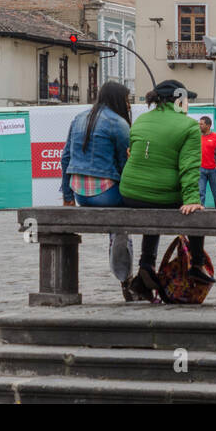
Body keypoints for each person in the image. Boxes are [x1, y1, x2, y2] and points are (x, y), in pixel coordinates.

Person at [118, 79, 208, 303]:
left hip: (130, 193)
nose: (188, 103)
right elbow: (189, 168)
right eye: (187, 99)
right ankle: (197, 264)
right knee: (197, 214)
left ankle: (146, 264)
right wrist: (192, 199)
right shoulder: (188, 126)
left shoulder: (140, 120)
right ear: (178, 101)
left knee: (153, 207)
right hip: (161, 193)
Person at [60, 82, 134, 300]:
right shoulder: (119, 123)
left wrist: (68, 197)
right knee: (122, 225)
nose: (129, 105)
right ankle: (125, 278)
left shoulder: (79, 118)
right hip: (107, 194)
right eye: (128, 100)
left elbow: (65, 158)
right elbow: (124, 167)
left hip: (80, 193)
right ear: (119, 99)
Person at [197, 116, 216, 209]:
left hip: (214, 170)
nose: (199, 125)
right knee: (201, 193)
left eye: (201, 124)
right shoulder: (197, 137)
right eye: (199, 123)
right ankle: (200, 213)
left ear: (208, 126)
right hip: (201, 170)